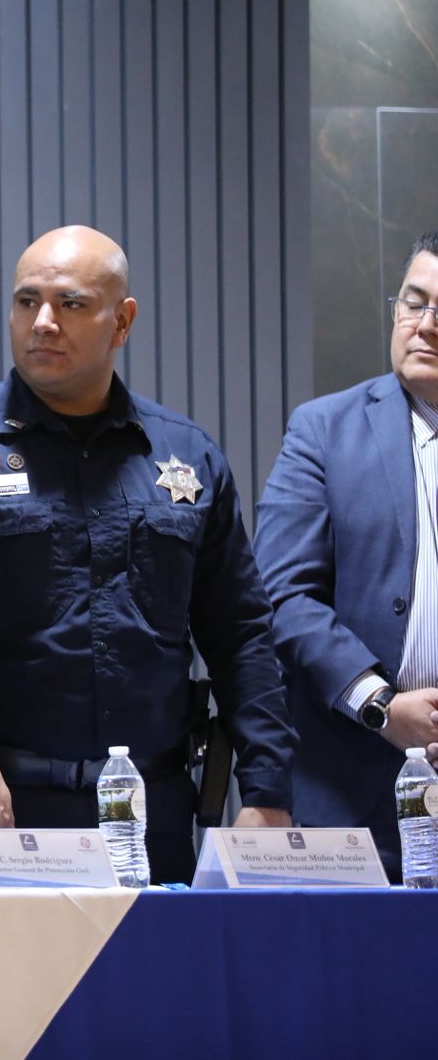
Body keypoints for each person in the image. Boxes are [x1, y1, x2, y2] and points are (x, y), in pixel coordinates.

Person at [0, 225, 295, 883]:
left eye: (70, 304)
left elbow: (240, 632)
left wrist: (267, 790)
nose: (42, 322)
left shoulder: (186, 456)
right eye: (27, 301)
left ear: (121, 322)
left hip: (150, 813)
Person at [254, 231, 438, 880]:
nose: (426, 325)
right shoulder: (325, 430)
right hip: (349, 788)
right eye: (414, 302)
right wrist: (379, 704)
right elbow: (282, 593)